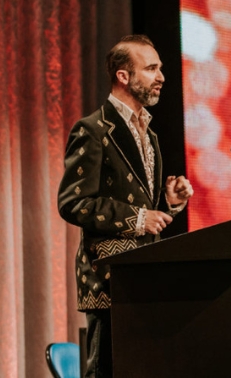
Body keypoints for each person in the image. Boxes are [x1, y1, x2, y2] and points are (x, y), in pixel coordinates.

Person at [57, 34, 194, 377]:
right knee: (106, 371)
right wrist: (139, 218)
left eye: (160, 68)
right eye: (151, 68)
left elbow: (136, 201)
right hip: (108, 279)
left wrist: (169, 204)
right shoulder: (92, 129)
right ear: (123, 76)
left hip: (145, 277)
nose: (161, 76)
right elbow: (73, 202)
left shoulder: (149, 134)